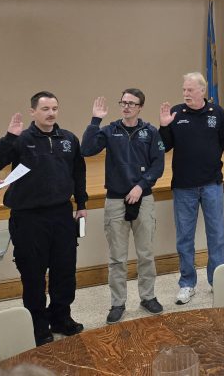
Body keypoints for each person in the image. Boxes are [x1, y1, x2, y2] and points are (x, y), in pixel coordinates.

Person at [0, 92, 88, 346]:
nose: (51, 113)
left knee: (64, 271)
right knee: (33, 274)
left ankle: (61, 317)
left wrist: (82, 204)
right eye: (45, 109)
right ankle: (38, 324)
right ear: (33, 112)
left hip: (62, 215)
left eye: (54, 108)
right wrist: (9, 137)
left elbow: (78, 173)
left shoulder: (68, 139)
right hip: (29, 218)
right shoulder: (21, 139)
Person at [81, 88, 165, 323]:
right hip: (116, 200)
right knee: (117, 257)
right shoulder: (110, 131)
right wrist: (95, 120)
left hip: (143, 197)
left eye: (131, 103)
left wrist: (141, 186)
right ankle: (118, 303)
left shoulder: (150, 132)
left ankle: (148, 297)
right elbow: (86, 149)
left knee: (146, 253)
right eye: (123, 102)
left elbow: (158, 165)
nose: (126, 106)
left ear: (140, 107)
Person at [158, 73, 224, 304]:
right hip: (184, 186)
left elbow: (221, 142)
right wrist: (164, 126)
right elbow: (163, 147)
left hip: (211, 184)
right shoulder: (177, 114)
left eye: (190, 89)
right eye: (184, 89)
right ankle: (187, 284)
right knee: (184, 238)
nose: (185, 93)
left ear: (202, 91)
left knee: (216, 235)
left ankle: (218, 281)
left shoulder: (217, 113)